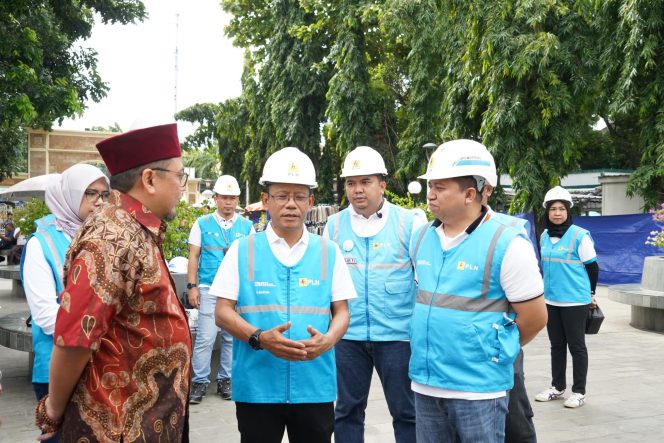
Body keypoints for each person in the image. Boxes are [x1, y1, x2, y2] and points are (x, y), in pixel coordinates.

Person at [34, 123, 193, 442]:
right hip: (117, 428)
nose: (182, 187)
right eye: (180, 176)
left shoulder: (135, 230)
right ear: (150, 179)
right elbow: (75, 340)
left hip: (149, 423)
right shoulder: (112, 238)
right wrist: (53, 409)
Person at [212, 147, 357, 443]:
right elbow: (222, 312)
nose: (291, 204)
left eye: (299, 196)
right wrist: (259, 337)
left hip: (314, 384)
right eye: (281, 195)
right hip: (258, 386)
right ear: (266, 200)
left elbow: (342, 311)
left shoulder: (328, 252)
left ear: (310, 202)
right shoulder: (243, 250)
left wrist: (328, 340)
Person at [409, 139, 547, 443]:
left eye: (440, 187)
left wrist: (493, 352)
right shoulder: (420, 238)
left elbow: (535, 317)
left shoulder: (507, 244)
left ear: (470, 194)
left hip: (478, 389)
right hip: (425, 384)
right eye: (430, 185)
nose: (430, 194)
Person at [324, 146, 424, 443]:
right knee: (346, 411)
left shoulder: (409, 223)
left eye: (366, 181)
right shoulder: (334, 225)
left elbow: (425, 280)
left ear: (383, 184)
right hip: (348, 337)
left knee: (407, 412)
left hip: (397, 337)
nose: (357, 190)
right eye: (351, 183)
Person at [21, 163, 110, 443]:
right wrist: (98, 327)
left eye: (105, 195)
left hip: (103, 366)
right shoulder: (41, 244)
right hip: (59, 369)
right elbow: (46, 316)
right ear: (70, 196)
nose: (99, 202)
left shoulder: (105, 238)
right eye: (90, 194)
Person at [188, 174, 254, 404]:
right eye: (224, 197)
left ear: (237, 200)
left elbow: (251, 261)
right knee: (206, 337)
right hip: (209, 288)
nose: (228, 202)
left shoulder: (247, 227)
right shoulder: (202, 224)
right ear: (216, 198)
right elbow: (193, 256)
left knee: (230, 337)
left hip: (236, 292)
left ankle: (226, 379)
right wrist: (192, 286)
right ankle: (199, 382)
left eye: (232, 198)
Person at [482, 185, 537, 443]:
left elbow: (531, 310)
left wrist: (505, 345)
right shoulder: (439, 231)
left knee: (515, 416)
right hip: (459, 364)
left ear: (486, 189)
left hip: (502, 345)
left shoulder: (512, 230)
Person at [535, 186, 598, 409]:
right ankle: (557, 387)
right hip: (551, 300)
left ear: (568, 211)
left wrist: (591, 294)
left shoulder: (580, 235)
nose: (557, 213)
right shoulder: (543, 235)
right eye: (553, 209)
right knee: (556, 345)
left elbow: (592, 267)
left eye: (562, 208)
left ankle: (579, 392)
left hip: (575, 301)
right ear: (547, 212)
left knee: (577, 347)